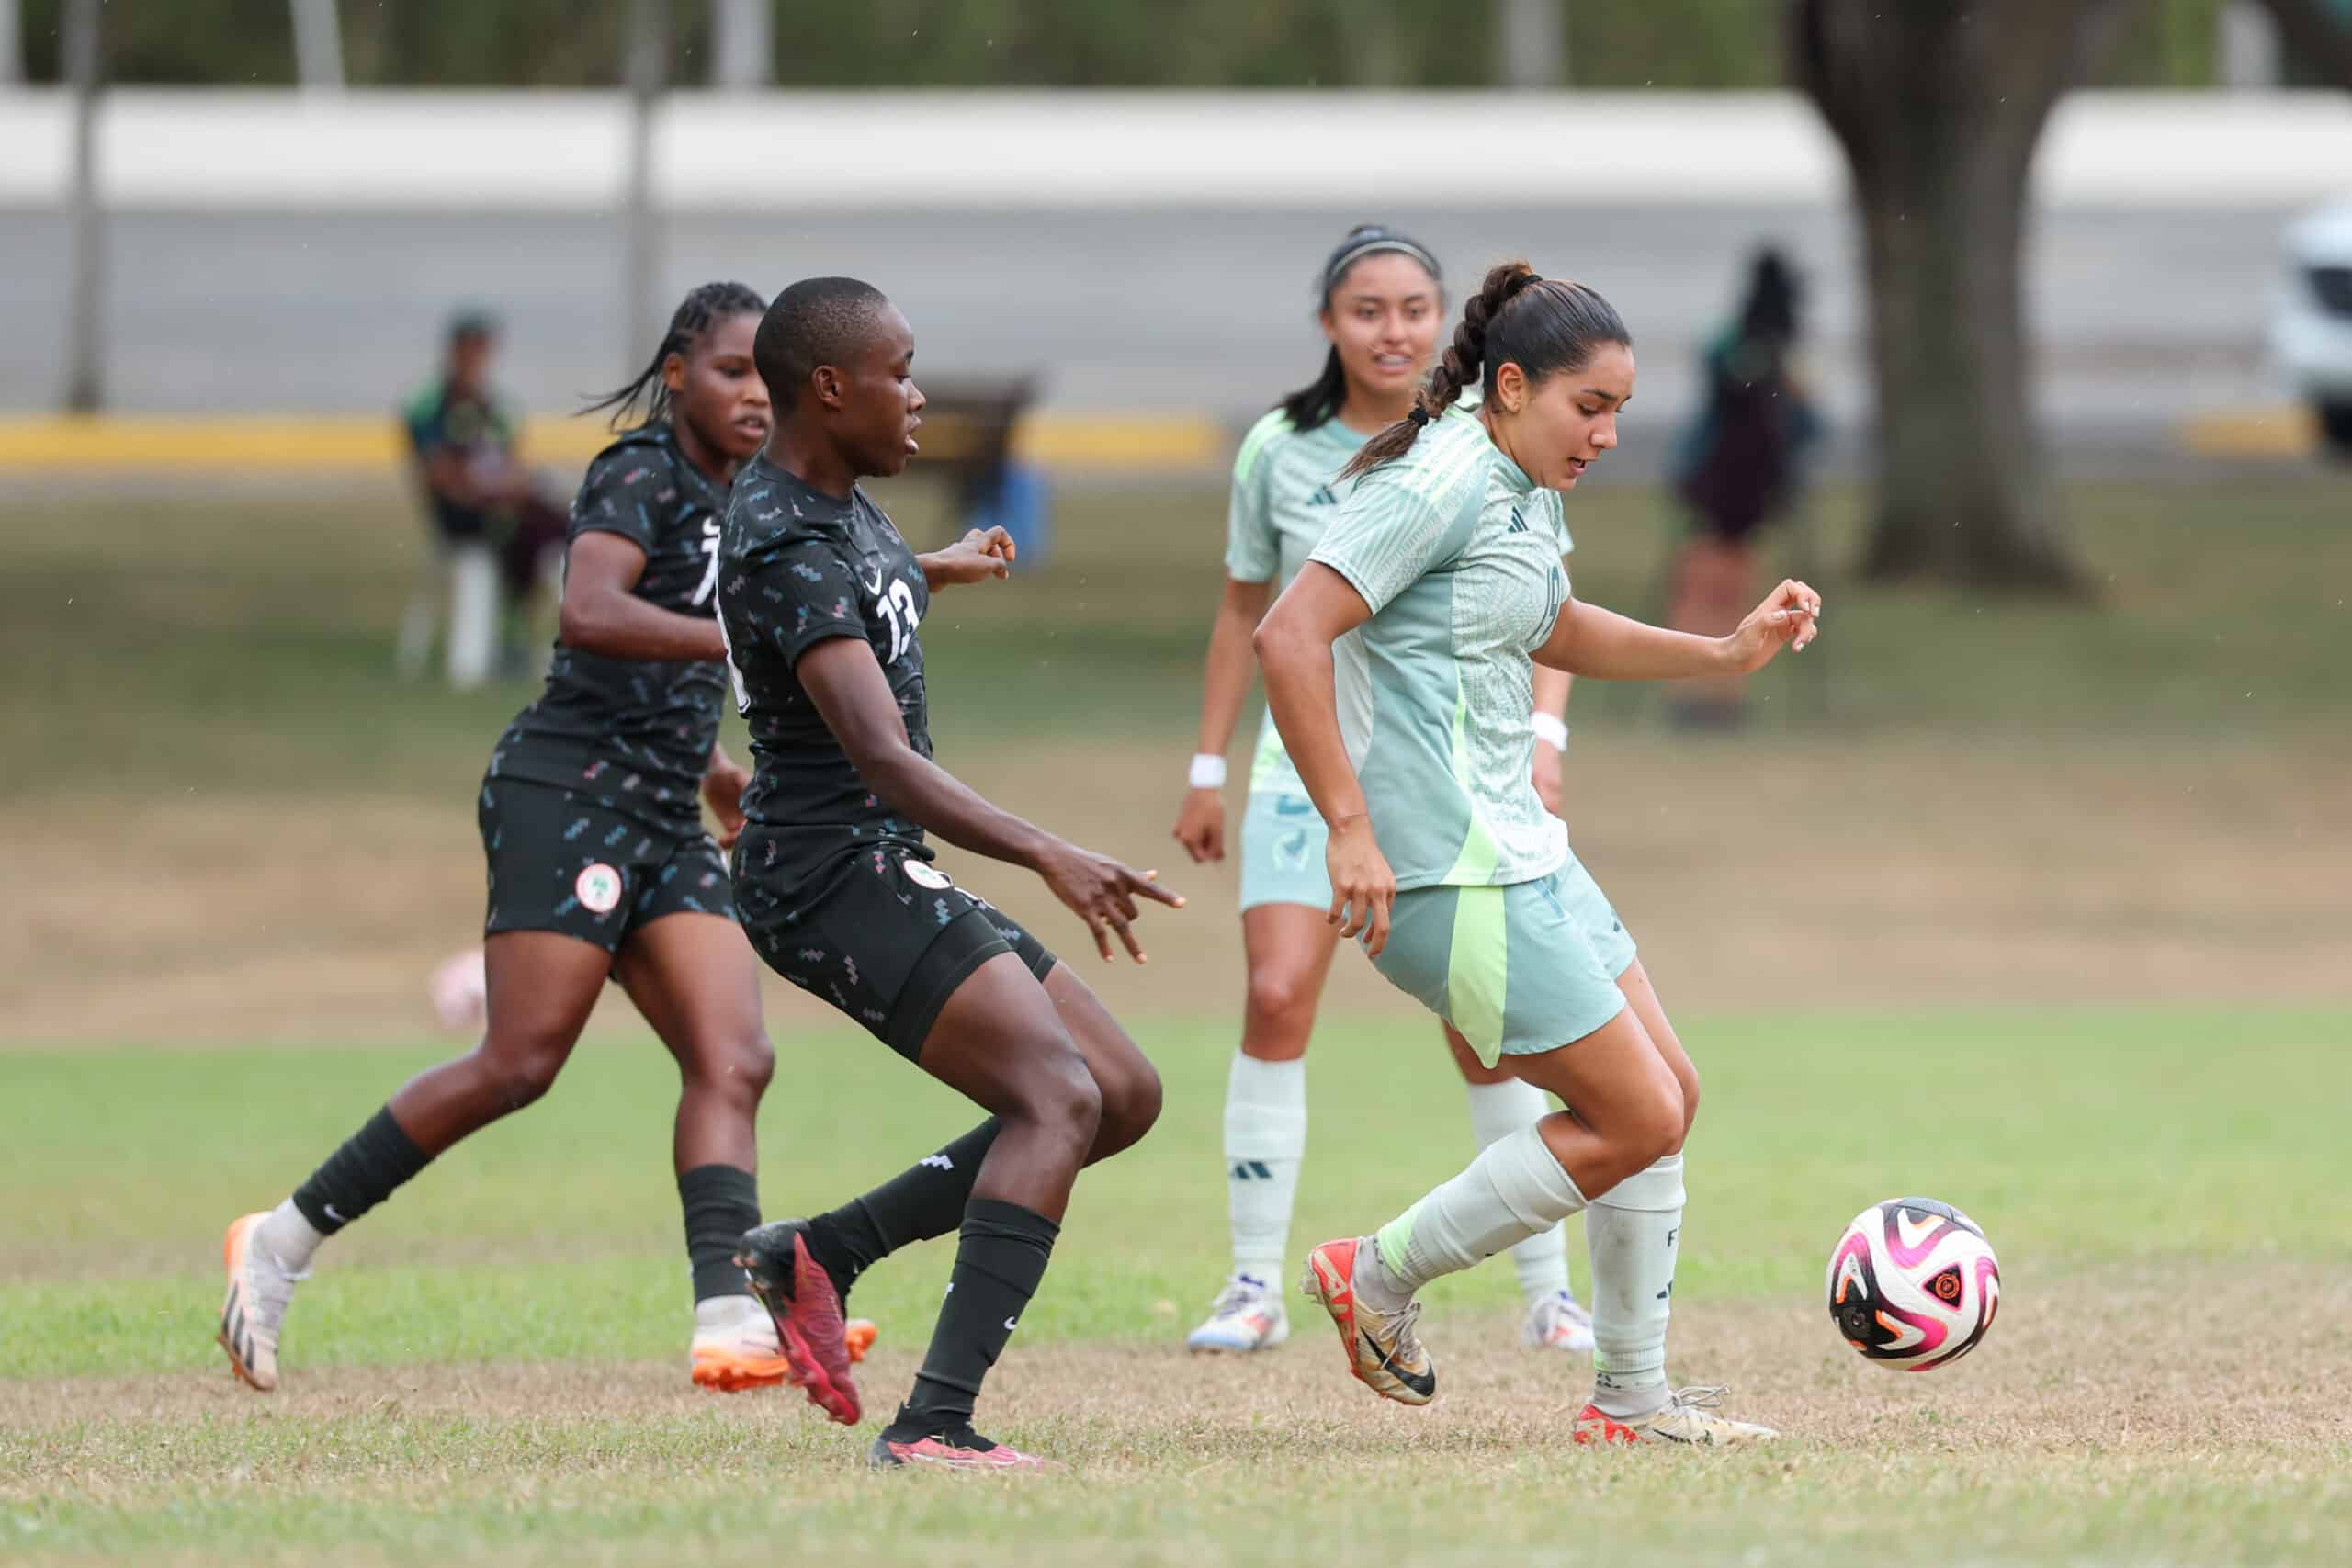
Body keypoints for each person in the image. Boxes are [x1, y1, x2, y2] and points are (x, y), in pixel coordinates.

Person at [219, 282, 871, 1396]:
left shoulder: (753, 498)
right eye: (729, 375)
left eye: (768, 382)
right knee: (519, 1063)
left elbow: (674, 675)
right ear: (677, 376)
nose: (754, 401)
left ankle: (726, 1317)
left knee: (735, 1057)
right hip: (563, 790)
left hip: (664, 807)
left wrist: (717, 771)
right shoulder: (638, 471)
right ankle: (278, 1241)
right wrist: (736, 636)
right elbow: (590, 613)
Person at [1252, 262, 1821, 1446]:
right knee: (1630, 1114)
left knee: (1669, 1100)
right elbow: (1287, 634)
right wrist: (1348, 833)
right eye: (1590, 407)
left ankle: (1630, 1402)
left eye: (1619, 408)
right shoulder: (1440, 477)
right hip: (1442, 871)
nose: (1609, 434)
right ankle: (1377, 1276)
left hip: (1522, 849)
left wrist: (1719, 654)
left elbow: (1550, 623)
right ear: (1510, 386)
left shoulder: (1518, 478)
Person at [716, 277, 1180, 1472]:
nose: (919, 394)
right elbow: (879, 754)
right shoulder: (780, 532)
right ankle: (934, 1421)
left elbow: (855, 586)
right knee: (1056, 1098)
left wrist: (940, 567)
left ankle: (819, 1247)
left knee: (1119, 1091)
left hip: (877, 859)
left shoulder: (845, 504)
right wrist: (1047, 850)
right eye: (900, 370)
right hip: (824, 873)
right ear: (829, 389)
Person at [1172, 226, 1593, 1359]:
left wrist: (1546, 736)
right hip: (1302, 779)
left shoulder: (1484, 441)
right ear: (1328, 324)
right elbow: (1248, 616)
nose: (1393, 329)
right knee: (1273, 996)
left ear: (1442, 318)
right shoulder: (1279, 449)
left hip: (1434, 783)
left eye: (1414, 307)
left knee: (1491, 1035)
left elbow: (1541, 604)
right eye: (1367, 309)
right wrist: (1209, 767)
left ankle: (1545, 1294)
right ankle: (1252, 1283)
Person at [1662, 247, 1822, 729]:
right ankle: (1711, 695)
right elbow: (1808, 423)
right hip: (1747, 485)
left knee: (1710, 583)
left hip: (1719, 483)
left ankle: (1700, 694)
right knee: (1724, 586)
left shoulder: (1733, 344)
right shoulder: (1775, 351)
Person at [397, 309, 571, 688]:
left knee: (545, 529)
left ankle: (522, 635)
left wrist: (510, 486)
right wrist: (493, 488)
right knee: (536, 526)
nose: (476, 357)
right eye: (470, 348)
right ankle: (507, 641)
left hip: (500, 507)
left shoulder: (496, 407)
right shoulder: (429, 404)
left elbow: (512, 464)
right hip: (460, 514)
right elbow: (439, 475)